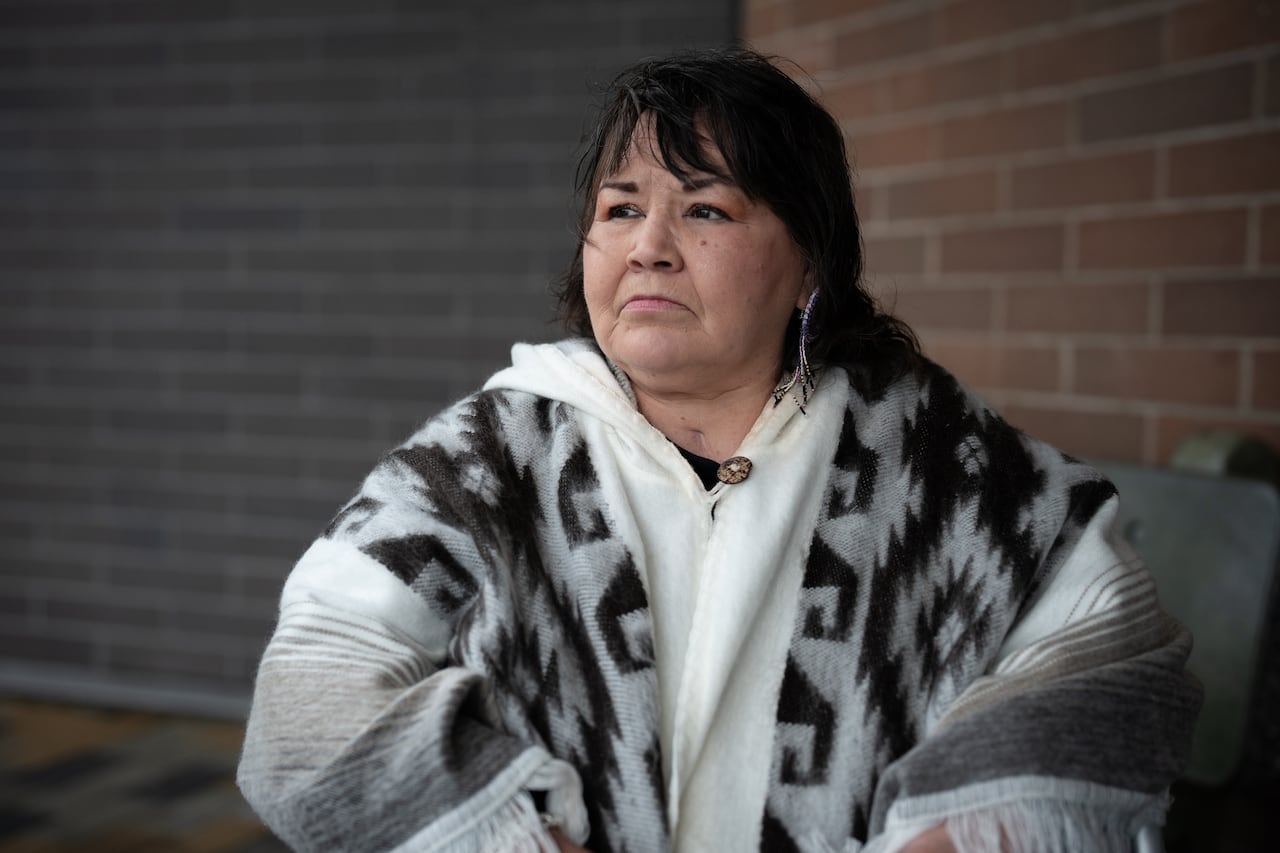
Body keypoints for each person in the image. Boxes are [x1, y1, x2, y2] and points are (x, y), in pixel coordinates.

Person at [237, 48, 1199, 852]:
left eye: (705, 209)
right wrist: (508, 837)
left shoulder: (938, 461)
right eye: (620, 209)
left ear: (809, 262)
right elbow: (312, 686)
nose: (647, 246)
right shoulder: (489, 458)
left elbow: (1112, 654)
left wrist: (961, 835)